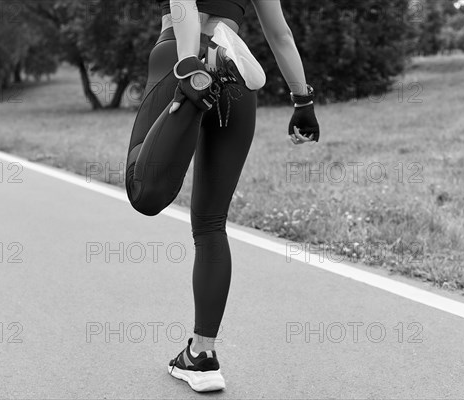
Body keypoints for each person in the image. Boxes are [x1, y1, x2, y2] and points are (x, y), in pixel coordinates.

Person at [125, 0, 320, 392]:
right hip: (237, 75)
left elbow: (182, 5)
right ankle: (202, 355)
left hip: (182, 55)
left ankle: (194, 90)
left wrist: (187, 64)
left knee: (142, 191)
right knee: (211, 223)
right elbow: (279, 33)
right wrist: (303, 101)